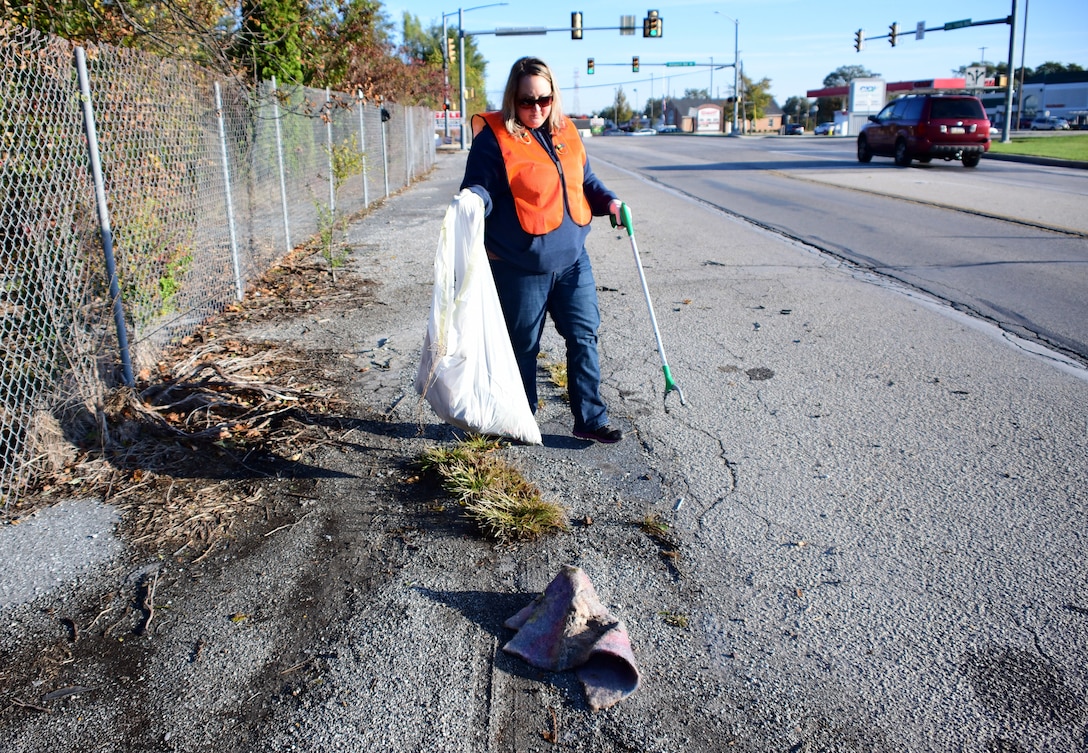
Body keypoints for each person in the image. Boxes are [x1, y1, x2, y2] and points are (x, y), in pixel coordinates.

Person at [461, 56, 624, 444]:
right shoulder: (494, 138)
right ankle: (521, 417)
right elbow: (480, 185)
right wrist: (472, 201)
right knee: (522, 348)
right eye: (526, 101)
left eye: (544, 100)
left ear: (554, 97)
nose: (536, 109)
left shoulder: (566, 130)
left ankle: (590, 418)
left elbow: (585, 180)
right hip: (520, 264)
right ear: (512, 99)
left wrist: (611, 202)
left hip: (572, 261)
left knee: (584, 336)